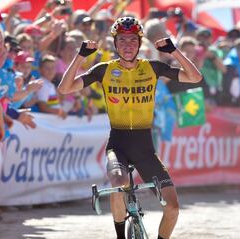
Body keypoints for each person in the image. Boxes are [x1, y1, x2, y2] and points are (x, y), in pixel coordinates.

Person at [58, 17, 202, 239]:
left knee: (172, 208)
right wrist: (80, 56)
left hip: (145, 148)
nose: (127, 45)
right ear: (115, 44)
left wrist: (174, 51)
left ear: (140, 43)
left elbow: (195, 77)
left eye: (133, 40)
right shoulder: (103, 70)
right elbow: (65, 88)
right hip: (118, 144)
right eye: (122, 40)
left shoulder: (153, 67)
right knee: (118, 183)